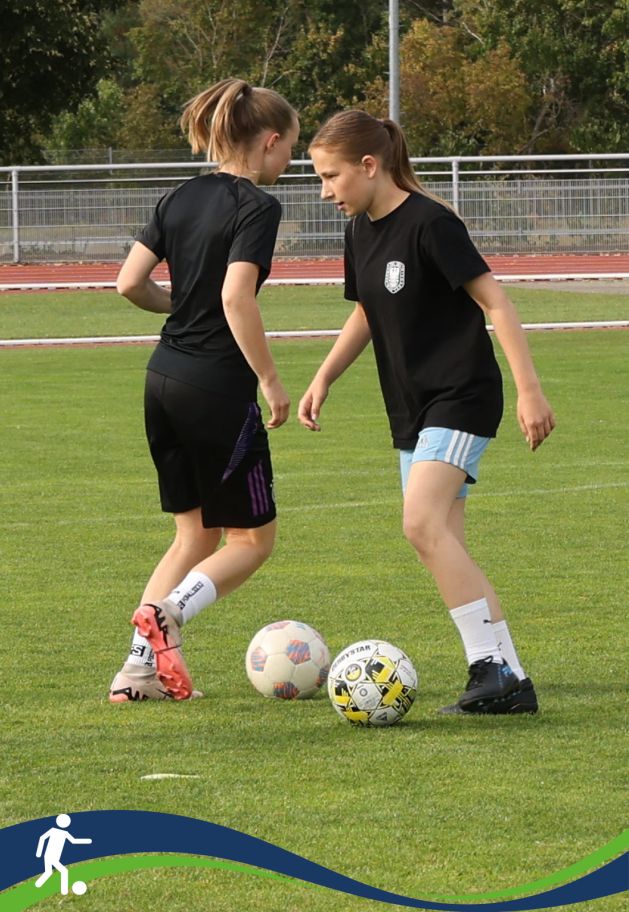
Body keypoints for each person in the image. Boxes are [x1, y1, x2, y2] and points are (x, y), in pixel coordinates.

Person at [298, 110, 555, 715]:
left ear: (370, 165)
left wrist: (530, 390)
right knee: (441, 541)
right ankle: (504, 676)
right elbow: (365, 311)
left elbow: (496, 301)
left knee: (420, 524)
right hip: (411, 406)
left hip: (461, 395)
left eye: (331, 176)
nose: (324, 190)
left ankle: (496, 671)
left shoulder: (431, 223)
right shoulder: (359, 230)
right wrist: (324, 376)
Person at [109, 78, 299, 702]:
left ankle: (136, 674)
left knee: (193, 536)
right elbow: (234, 296)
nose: (291, 162)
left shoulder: (178, 196)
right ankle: (170, 616)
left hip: (162, 377)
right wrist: (270, 378)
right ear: (269, 142)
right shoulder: (257, 207)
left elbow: (129, 283)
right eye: (290, 149)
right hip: (217, 386)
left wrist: (178, 306)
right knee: (253, 541)